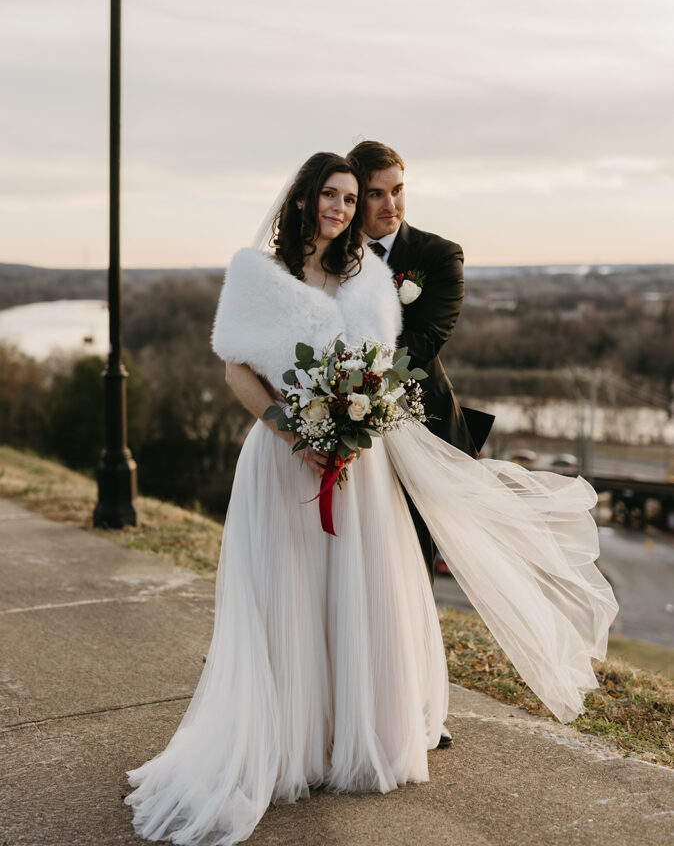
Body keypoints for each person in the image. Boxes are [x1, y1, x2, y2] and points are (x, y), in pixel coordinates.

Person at [125, 152, 618, 846]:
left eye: (352, 199)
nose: (342, 209)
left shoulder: (368, 280)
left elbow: (382, 372)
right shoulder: (255, 274)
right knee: (289, 600)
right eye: (331, 194)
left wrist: (354, 431)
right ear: (303, 198)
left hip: (360, 466)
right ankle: (292, 744)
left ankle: (353, 739)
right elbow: (237, 367)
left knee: (360, 598)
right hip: (282, 459)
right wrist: (292, 430)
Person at [346, 140, 494, 585]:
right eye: (376, 193)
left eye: (398, 190)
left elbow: (424, 340)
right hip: (341, 420)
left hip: (417, 422)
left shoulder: (439, 254)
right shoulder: (332, 252)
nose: (391, 204)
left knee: (409, 558)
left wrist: (347, 376)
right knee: (351, 553)